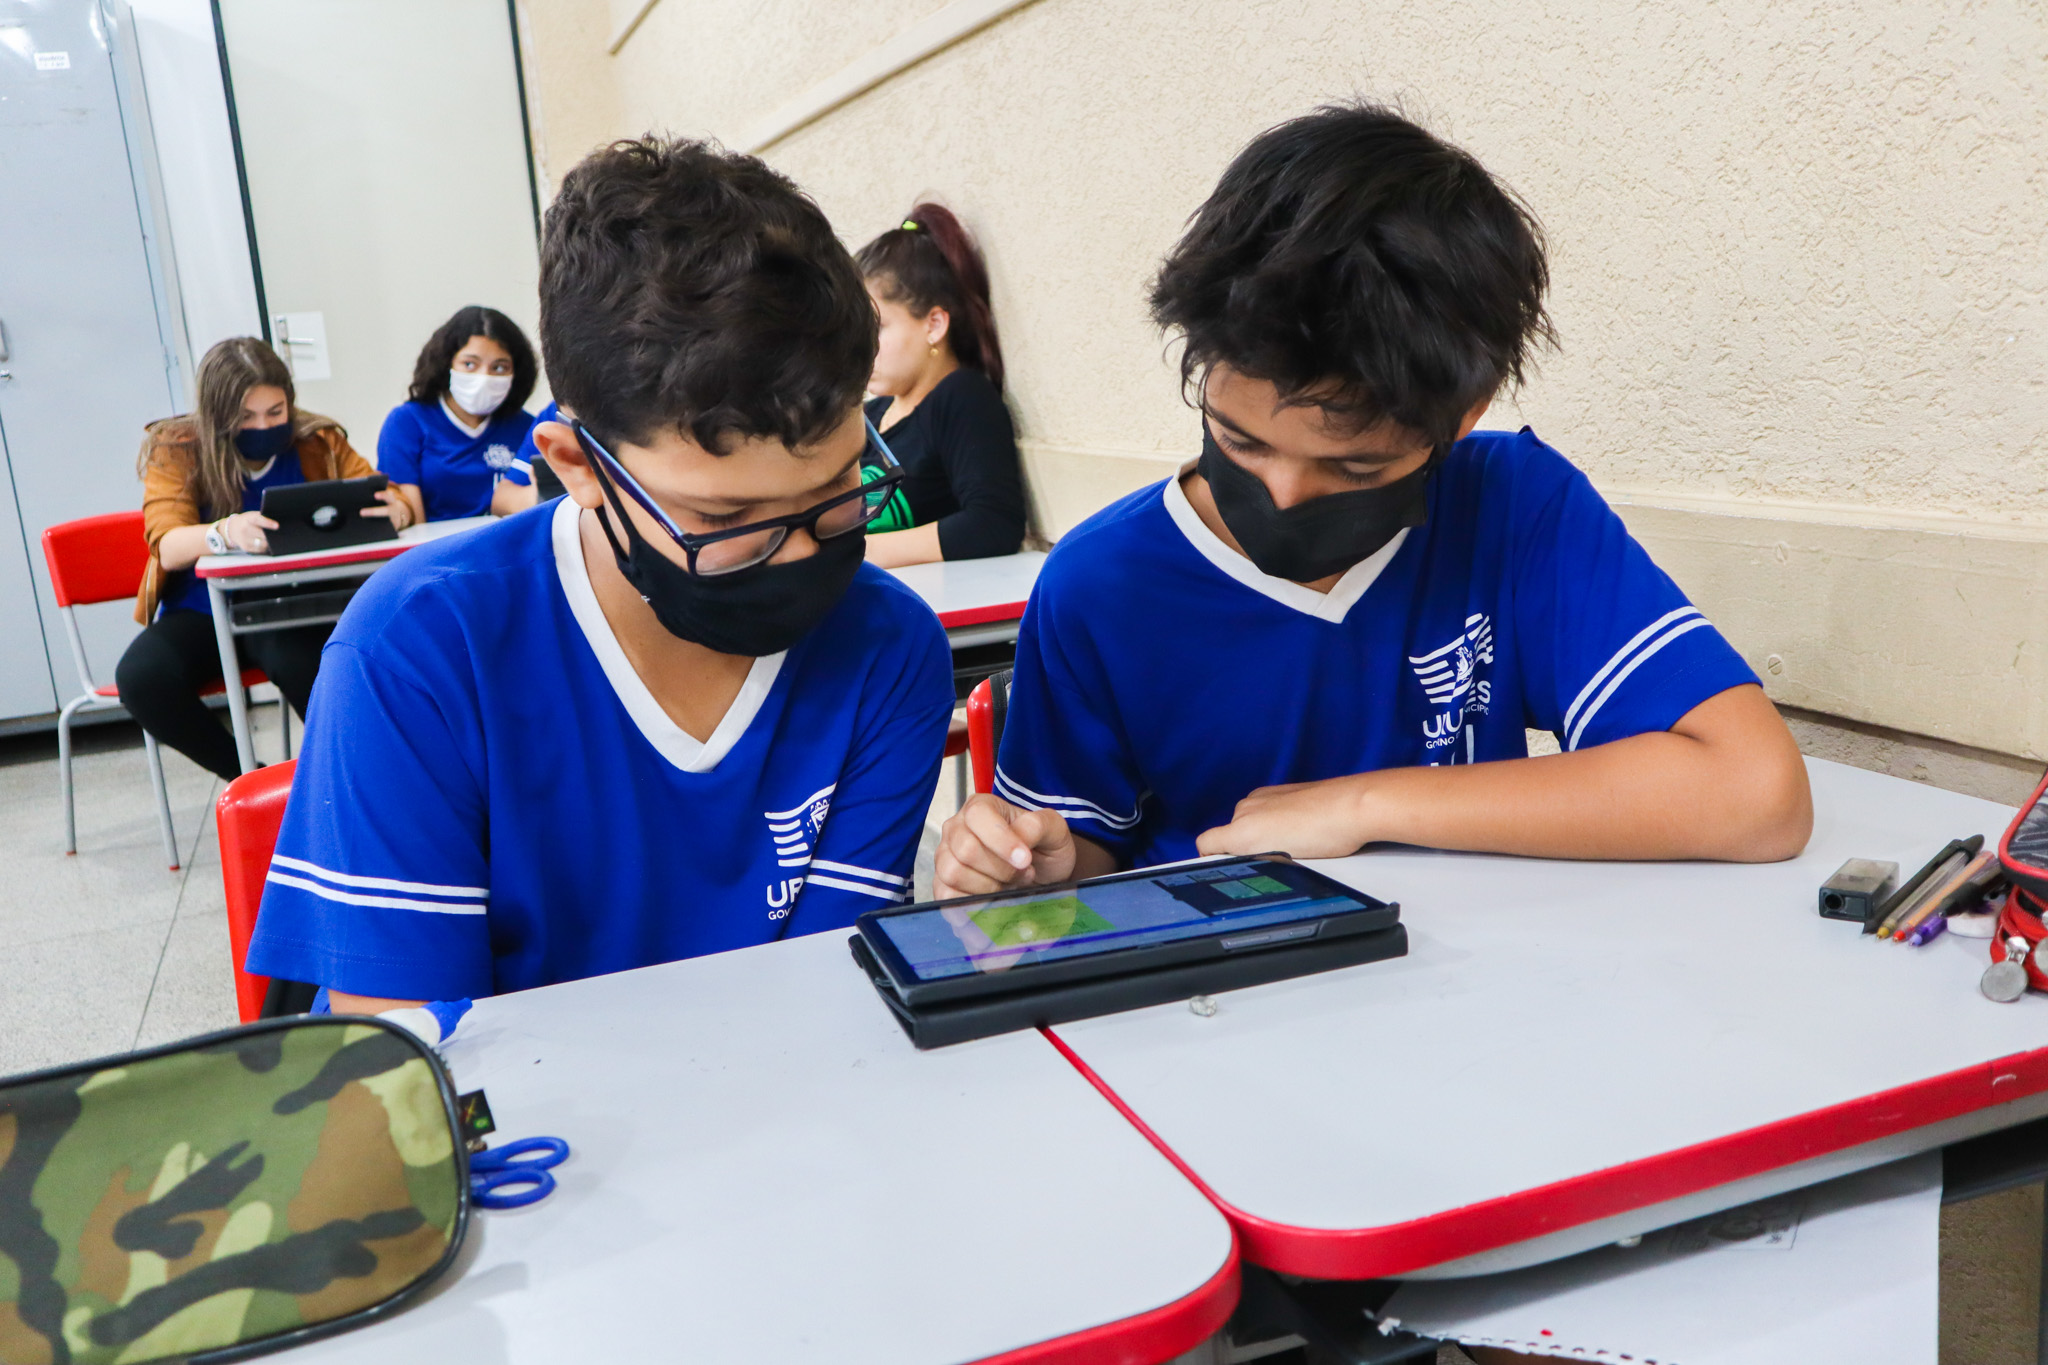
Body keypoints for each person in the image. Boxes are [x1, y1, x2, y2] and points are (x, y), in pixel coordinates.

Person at [936, 103, 1813, 909]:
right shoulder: (1101, 586)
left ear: (1460, 420)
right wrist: (1043, 867)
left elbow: (1755, 794)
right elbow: (1082, 864)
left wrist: (1360, 804)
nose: (1281, 492)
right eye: (1242, 442)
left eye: (1354, 467)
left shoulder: (1511, 506)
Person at [246, 137, 954, 1011]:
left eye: (840, 487)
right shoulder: (424, 647)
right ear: (576, 464)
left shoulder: (888, 647)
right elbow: (407, 1064)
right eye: (727, 519)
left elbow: (832, 996)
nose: (805, 554)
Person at [116, 337, 411, 781]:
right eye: (245, 417)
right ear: (217, 417)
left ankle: (353, 780)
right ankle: (255, 785)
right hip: (203, 611)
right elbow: (168, 544)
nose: (263, 426)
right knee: (142, 679)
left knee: (309, 667)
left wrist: (398, 507)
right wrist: (225, 530)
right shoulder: (176, 447)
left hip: (290, 605)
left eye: (275, 413)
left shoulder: (317, 439)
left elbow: (389, 495)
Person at [853, 204, 1026, 567]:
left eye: (877, 328)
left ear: (934, 325)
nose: (859, 347)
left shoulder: (961, 397)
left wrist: (856, 556)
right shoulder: (870, 414)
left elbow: (993, 523)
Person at [376, 305, 540, 522]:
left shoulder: (528, 428)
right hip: (438, 550)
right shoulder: (407, 422)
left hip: (508, 547)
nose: (484, 377)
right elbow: (410, 515)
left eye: (499, 367)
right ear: (446, 363)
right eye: (470, 364)